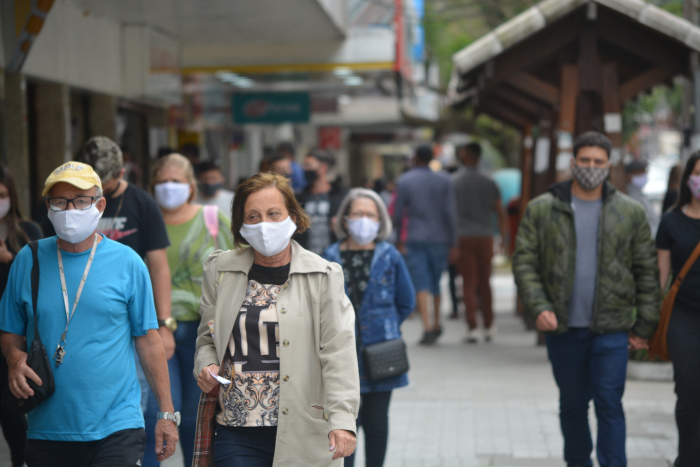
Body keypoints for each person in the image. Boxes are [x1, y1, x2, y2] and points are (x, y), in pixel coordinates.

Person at [0, 161, 178, 466]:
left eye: (81, 201)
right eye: (60, 202)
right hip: (47, 428)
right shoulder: (28, 260)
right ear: (47, 207)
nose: (70, 210)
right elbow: (10, 331)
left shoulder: (129, 263)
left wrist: (165, 413)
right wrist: (15, 360)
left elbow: (148, 342)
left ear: (100, 205)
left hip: (117, 425)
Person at [513, 131, 660, 467]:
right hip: (563, 327)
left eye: (598, 162)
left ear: (609, 166)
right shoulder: (542, 209)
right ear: (572, 163)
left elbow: (647, 271)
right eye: (585, 161)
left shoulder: (630, 212)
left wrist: (645, 325)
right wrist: (539, 306)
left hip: (612, 328)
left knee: (610, 403)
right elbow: (524, 261)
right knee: (573, 405)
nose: (591, 167)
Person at [193, 172, 359, 466]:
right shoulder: (220, 270)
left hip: (303, 428)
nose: (264, 225)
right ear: (241, 225)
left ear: (293, 218)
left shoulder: (323, 275)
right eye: (253, 217)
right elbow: (208, 338)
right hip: (235, 427)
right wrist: (205, 364)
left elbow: (338, 351)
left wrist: (343, 419)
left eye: (273, 214)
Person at [149, 154, 233, 467]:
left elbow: (234, 266)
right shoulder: (147, 220)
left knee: (196, 416)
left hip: (205, 331)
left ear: (190, 186)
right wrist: (161, 324)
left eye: (176, 181)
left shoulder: (212, 219)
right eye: (162, 181)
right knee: (160, 412)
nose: (169, 187)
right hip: (157, 331)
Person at [322, 188, 415, 467]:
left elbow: (406, 302)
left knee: (376, 425)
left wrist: (385, 328)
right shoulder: (329, 255)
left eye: (370, 215)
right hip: (341, 356)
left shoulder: (390, 256)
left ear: (380, 220)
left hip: (380, 355)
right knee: (344, 426)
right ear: (345, 219)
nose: (364, 220)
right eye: (358, 214)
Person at [656, 151, 700, 467]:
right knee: (688, 394)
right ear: (688, 180)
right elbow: (660, 278)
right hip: (683, 317)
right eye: (698, 174)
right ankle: (687, 459)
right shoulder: (671, 221)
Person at [393, 145, 458, 345]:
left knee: (420, 281)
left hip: (415, 236)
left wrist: (398, 238)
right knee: (436, 281)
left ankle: (427, 326)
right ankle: (437, 321)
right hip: (439, 237)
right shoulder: (444, 180)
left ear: (416, 157)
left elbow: (397, 212)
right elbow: (450, 212)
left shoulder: (405, 180)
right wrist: (454, 241)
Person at [0, 165, 42, 467]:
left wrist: (10, 260)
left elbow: (41, 282)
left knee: (19, 430)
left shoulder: (28, 233)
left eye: (1, 195)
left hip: (15, 342)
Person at [452, 142, 507, 343]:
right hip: (485, 237)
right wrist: (502, 238)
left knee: (468, 282)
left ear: (465, 155)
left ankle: (472, 327)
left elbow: (449, 215)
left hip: (463, 238)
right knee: (485, 282)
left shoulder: (454, 181)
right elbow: (500, 211)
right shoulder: (489, 181)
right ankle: (490, 325)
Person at [296, 150, 347, 255]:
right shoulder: (300, 197)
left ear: (323, 168)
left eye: (309, 165)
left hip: (334, 256)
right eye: (304, 165)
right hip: (306, 256)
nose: (305, 169)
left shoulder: (340, 195)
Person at [625, 158, 659, 236]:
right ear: (628, 176)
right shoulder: (630, 198)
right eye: (640, 172)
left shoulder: (641, 194)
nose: (644, 174)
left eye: (645, 171)